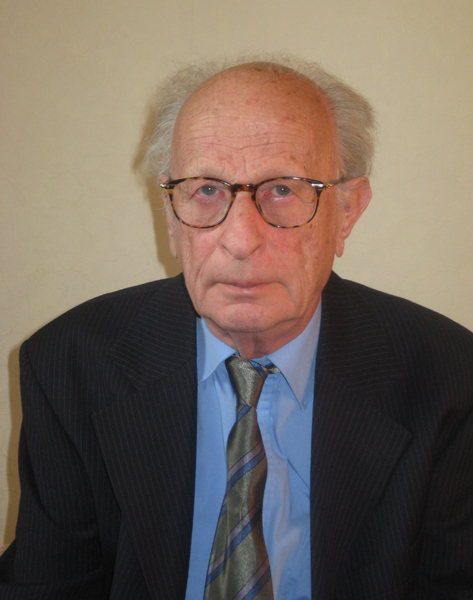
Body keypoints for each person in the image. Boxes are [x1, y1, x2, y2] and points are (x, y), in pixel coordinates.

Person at [1, 55, 472, 600]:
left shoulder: (449, 378)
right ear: (170, 213)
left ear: (347, 211)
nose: (241, 240)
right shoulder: (69, 365)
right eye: (206, 190)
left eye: (283, 189)